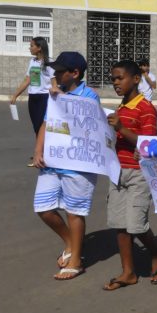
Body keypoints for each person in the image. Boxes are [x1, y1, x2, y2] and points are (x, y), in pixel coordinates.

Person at [32, 52, 99, 280]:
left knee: (74, 212)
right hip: (52, 161)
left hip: (77, 164)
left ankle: (76, 261)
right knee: (43, 208)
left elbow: (88, 125)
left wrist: (63, 100)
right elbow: (46, 123)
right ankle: (70, 242)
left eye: (60, 71)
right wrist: (38, 150)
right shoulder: (55, 95)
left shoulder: (89, 95)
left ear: (75, 73)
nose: (56, 75)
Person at [103, 60, 157, 291]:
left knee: (137, 225)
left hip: (139, 174)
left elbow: (147, 145)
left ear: (136, 79)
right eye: (113, 79)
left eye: (120, 78)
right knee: (120, 225)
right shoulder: (120, 108)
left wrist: (121, 128)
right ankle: (128, 272)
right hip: (117, 172)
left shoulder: (146, 108)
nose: (116, 82)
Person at [10, 37, 56, 165]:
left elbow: (54, 83)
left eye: (31, 46)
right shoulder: (32, 61)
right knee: (36, 126)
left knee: (42, 126)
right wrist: (15, 95)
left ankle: (42, 155)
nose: (29, 48)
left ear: (39, 47)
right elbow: (27, 80)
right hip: (33, 97)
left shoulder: (50, 63)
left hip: (45, 98)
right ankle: (40, 153)